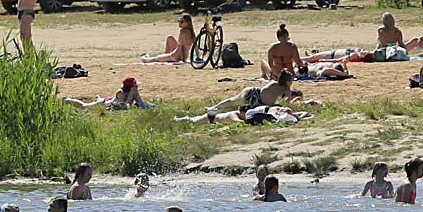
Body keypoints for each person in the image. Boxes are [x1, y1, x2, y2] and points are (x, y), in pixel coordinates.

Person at [207, 69, 298, 112]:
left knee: (233, 102)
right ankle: (215, 109)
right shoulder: (286, 90)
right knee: (234, 104)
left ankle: (215, 108)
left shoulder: (274, 83)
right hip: (257, 98)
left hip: (254, 94)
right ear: (288, 82)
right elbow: (287, 103)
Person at [64, 77, 154, 109]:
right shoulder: (121, 93)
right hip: (106, 104)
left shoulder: (133, 91)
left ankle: (98, 98)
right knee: (85, 106)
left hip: (112, 100)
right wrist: (131, 95)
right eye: (134, 86)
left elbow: (140, 103)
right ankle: (68, 100)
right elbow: (124, 106)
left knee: (95, 101)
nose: (136, 87)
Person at [174, 104, 312, 125]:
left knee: (193, 119)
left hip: (216, 114)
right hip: (212, 117)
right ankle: (179, 119)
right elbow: (237, 122)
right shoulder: (233, 115)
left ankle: (181, 117)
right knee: (193, 121)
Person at [303, 48, 373, 64]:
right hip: (332, 54)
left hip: (330, 55)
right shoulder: (357, 54)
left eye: (364, 52)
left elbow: (340, 59)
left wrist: (325, 61)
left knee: (310, 58)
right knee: (312, 57)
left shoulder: (354, 55)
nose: (363, 50)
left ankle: (294, 58)